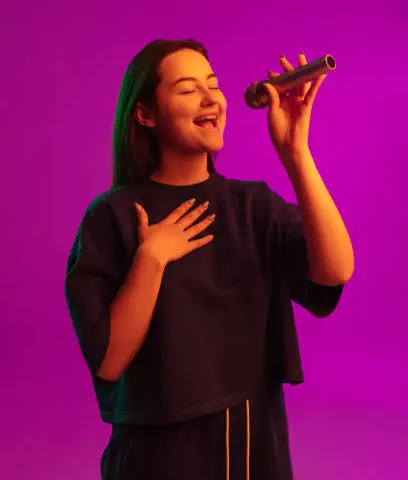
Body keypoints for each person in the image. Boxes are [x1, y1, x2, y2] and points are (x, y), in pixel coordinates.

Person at [65, 39, 354, 480]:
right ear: (144, 114)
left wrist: (296, 153)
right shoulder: (111, 216)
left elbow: (335, 271)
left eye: (212, 84)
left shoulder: (253, 206)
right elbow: (109, 360)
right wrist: (151, 258)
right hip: (156, 457)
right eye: (186, 89)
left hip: (252, 446)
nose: (210, 98)